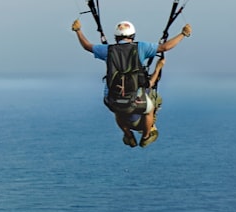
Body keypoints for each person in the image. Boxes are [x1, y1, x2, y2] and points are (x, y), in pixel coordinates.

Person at [72, 18, 192, 148]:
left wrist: (78, 30)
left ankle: (128, 135)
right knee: (149, 110)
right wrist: (183, 34)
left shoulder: (107, 50)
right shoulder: (141, 47)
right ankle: (145, 136)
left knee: (118, 110)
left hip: (112, 99)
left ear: (116, 36)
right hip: (135, 97)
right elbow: (165, 47)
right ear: (133, 36)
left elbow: (87, 46)